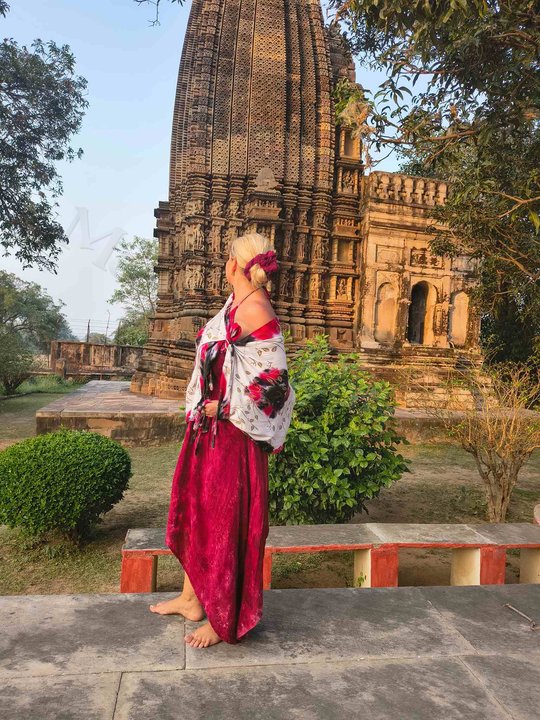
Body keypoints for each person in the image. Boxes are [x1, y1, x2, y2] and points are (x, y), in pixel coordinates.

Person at [149, 232, 296, 649]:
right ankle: (191, 599)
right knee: (198, 513)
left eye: (227, 257)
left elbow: (276, 385)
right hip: (208, 432)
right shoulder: (235, 304)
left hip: (233, 438)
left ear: (234, 264)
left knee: (222, 523)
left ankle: (222, 617)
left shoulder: (257, 309)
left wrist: (227, 406)